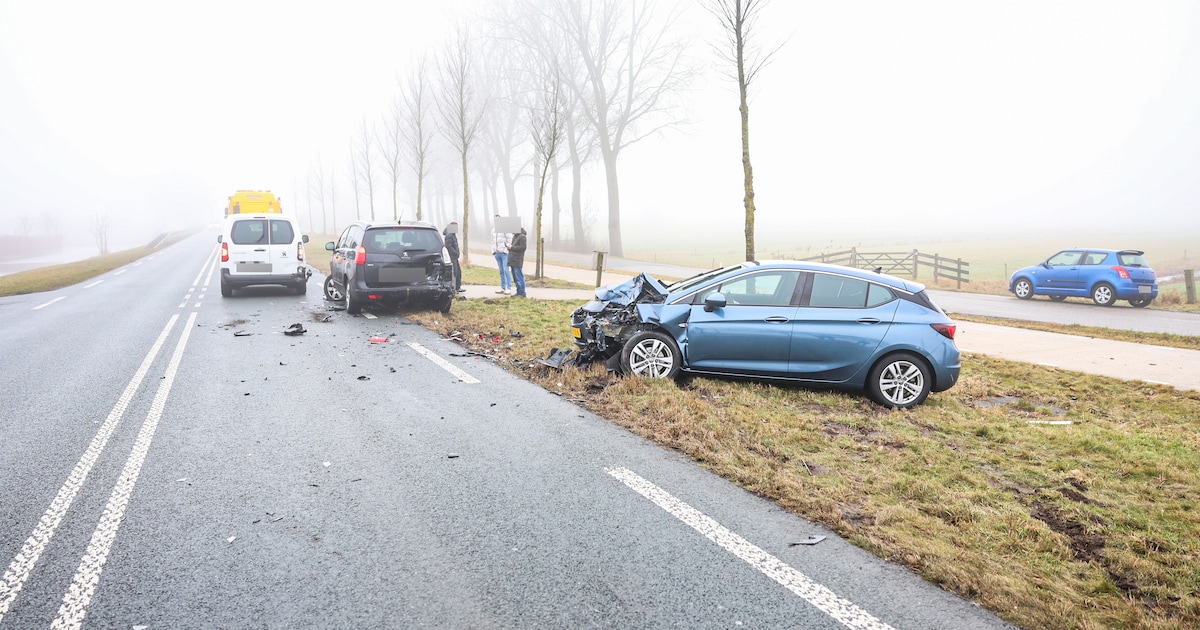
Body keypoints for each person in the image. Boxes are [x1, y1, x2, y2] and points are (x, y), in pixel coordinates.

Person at [491, 215, 513, 294]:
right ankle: (503, 287)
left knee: (506, 270)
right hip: (497, 253)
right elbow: (492, 241)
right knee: (501, 271)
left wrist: (505, 249)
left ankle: (509, 287)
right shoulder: (493, 230)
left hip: (504, 253)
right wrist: (493, 251)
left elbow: (510, 239)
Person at [442, 221, 464, 292]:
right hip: (452, 257)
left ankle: (457, 287)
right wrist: (455, 253)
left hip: (454, 256)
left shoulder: (452, 234)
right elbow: (448, 246)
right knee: (454, 272)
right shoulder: (449, 235)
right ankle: (454, 288)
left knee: (458, 272)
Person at [508, 227, 527, 297]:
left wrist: (512, 247)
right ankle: (518, 292)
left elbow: (523, 247)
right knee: (515, 278)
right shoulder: (515, 237)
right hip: (512, 259)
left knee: (519, 277)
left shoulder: (522, 237)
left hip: (517, 259)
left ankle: (522, 292)